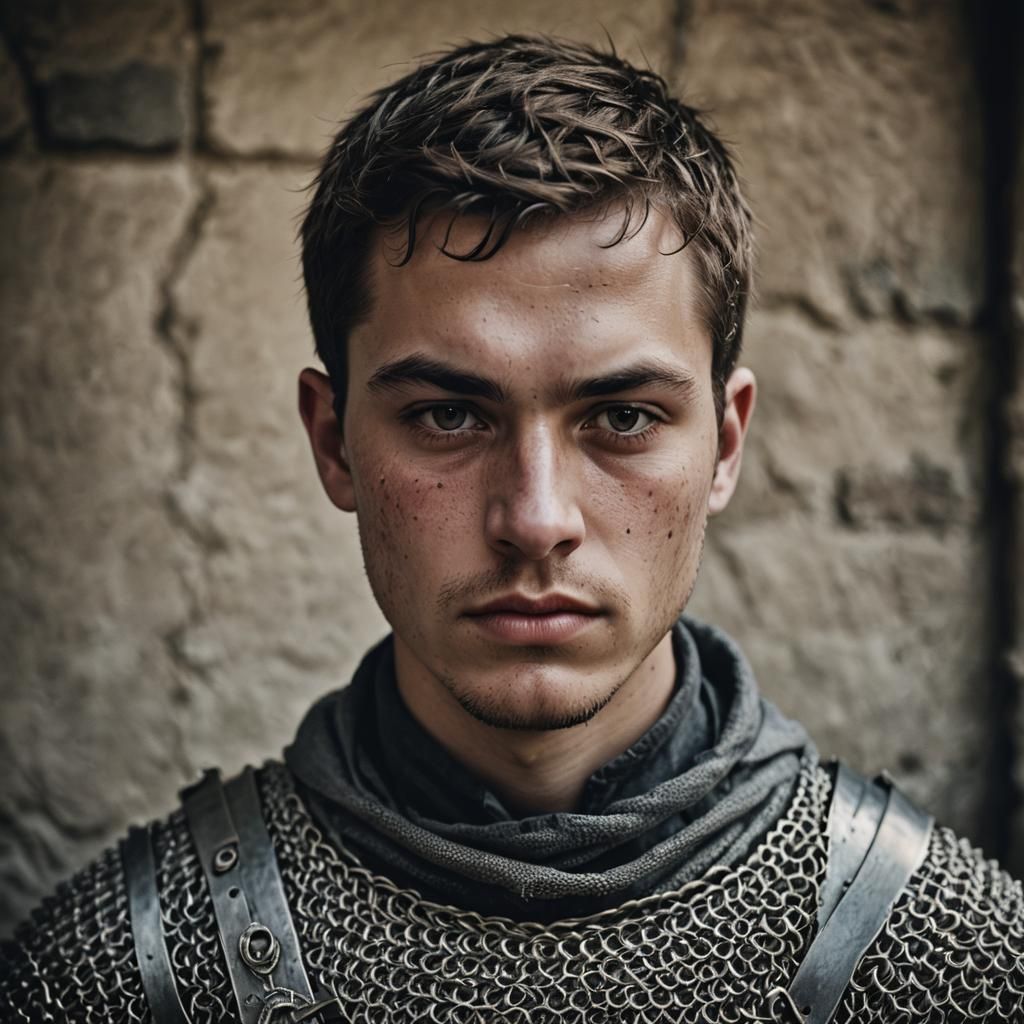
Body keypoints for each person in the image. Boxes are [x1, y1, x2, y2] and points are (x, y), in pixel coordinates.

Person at [2, 34, 1022, 1024]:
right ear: (334, 441)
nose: (536, 520)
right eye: (449, 414)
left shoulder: (952, 958)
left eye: (622, 417)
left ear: (723, 444)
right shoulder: (122, 972)